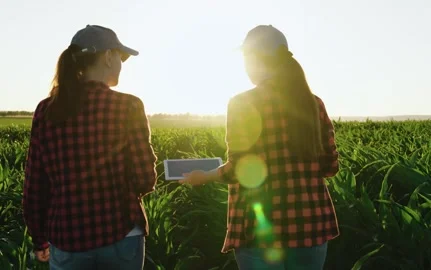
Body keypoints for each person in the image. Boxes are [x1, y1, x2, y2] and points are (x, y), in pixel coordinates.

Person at [180, 25, 340, 270]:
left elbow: (239, 170)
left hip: (259, 228)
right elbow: (330, 166)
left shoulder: (243, 103)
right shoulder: (313, 103)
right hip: (310, 225)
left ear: (253, 58)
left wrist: (205, 176)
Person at [22, 25, 158, 270]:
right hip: (121, 235)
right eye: (120, 57)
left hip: (66, 239)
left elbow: (35, 186)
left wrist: (39, 239)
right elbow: (144, 179)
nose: (121, 64)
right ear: (107, 57)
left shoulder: (46, 110)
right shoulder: (128, 106)